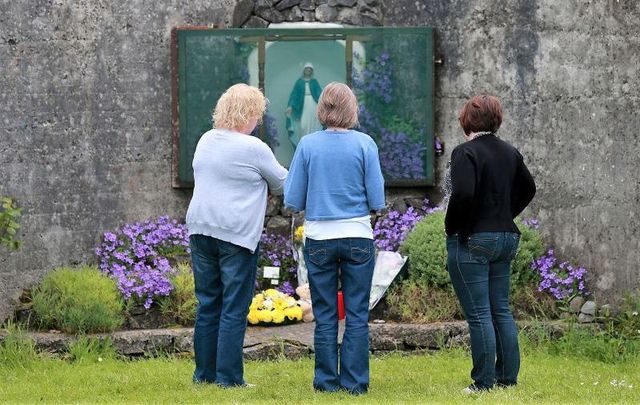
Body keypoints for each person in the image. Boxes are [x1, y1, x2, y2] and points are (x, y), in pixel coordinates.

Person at [284, 82, 385, 395]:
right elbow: (377, 198)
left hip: (319, 238)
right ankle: (354, 383)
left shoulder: (308, 144)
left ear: (321, 109)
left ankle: (326, 382)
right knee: (356, 313)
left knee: (325, 313)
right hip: (357, 235)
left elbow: (292, 198)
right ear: (351, 109)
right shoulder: (365, 144)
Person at [185, 83, 288, 387]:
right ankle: (229, 379)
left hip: (201, 229)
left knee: (208, 304)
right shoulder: (253, 147)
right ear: (250, 113)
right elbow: (284, 184)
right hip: (235, 235)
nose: (258, 120)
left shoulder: (206, 140)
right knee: (233, 307)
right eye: (257, 114)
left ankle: (204, 375)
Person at [444, 95, 536, 393]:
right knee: (500, 310)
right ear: (497, 120)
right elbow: (529, 188)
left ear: (466, 120)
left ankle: (483, 383)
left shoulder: (465, 152)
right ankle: (507, 378)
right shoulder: (510, 152)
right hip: (506, 237)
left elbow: (464, 195)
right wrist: (505, 214)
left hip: (473, 239)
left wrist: (452, 226)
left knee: (480, 313)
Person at [286, 62, 323, 149]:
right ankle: (305, 143)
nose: (308, 71)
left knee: (314, 124)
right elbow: (294, 95)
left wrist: (324, 105)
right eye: (306, 69)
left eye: (310, 69)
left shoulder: (314, 82)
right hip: (303, 105)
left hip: (313, 104)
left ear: (311, 71)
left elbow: (320, 94)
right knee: (303, 125)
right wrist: (290, 106)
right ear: (304, 70)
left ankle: (313, 144)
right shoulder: (299, 82)